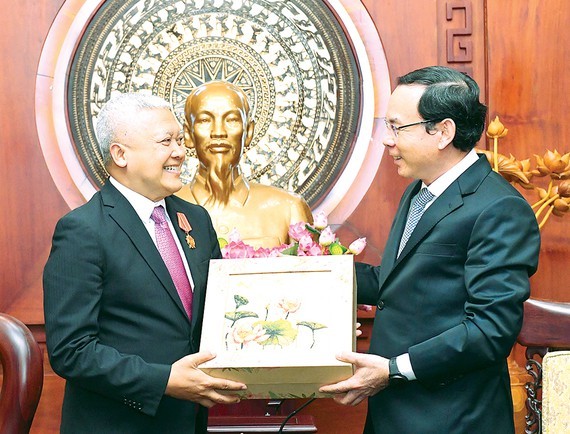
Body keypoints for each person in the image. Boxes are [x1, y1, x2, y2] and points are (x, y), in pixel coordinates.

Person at [320, 66, 541, 433]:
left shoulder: (499, 208)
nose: (387, 141)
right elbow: (395, 282)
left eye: (396, 127)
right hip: (394, 414)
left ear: (442, 132)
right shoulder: (421, 190)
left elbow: (491, 329)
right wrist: (314, 273)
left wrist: (393, 370)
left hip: (453, 418)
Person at [43, 93, 247, 434]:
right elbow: (71, 351)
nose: (180, 152)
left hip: (189, 422)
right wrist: (163, 380)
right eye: (165, 142)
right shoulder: (83, 230)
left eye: (180, 140)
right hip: (117, 424)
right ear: (120, 154)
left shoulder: (195, 219)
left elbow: (222, 311)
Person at [176, 81, 313, 248]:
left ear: (248, 132)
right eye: (205, 120)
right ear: (189, 134)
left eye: (231, 119)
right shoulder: (164, 209)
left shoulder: (288, 208)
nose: (218, 132)